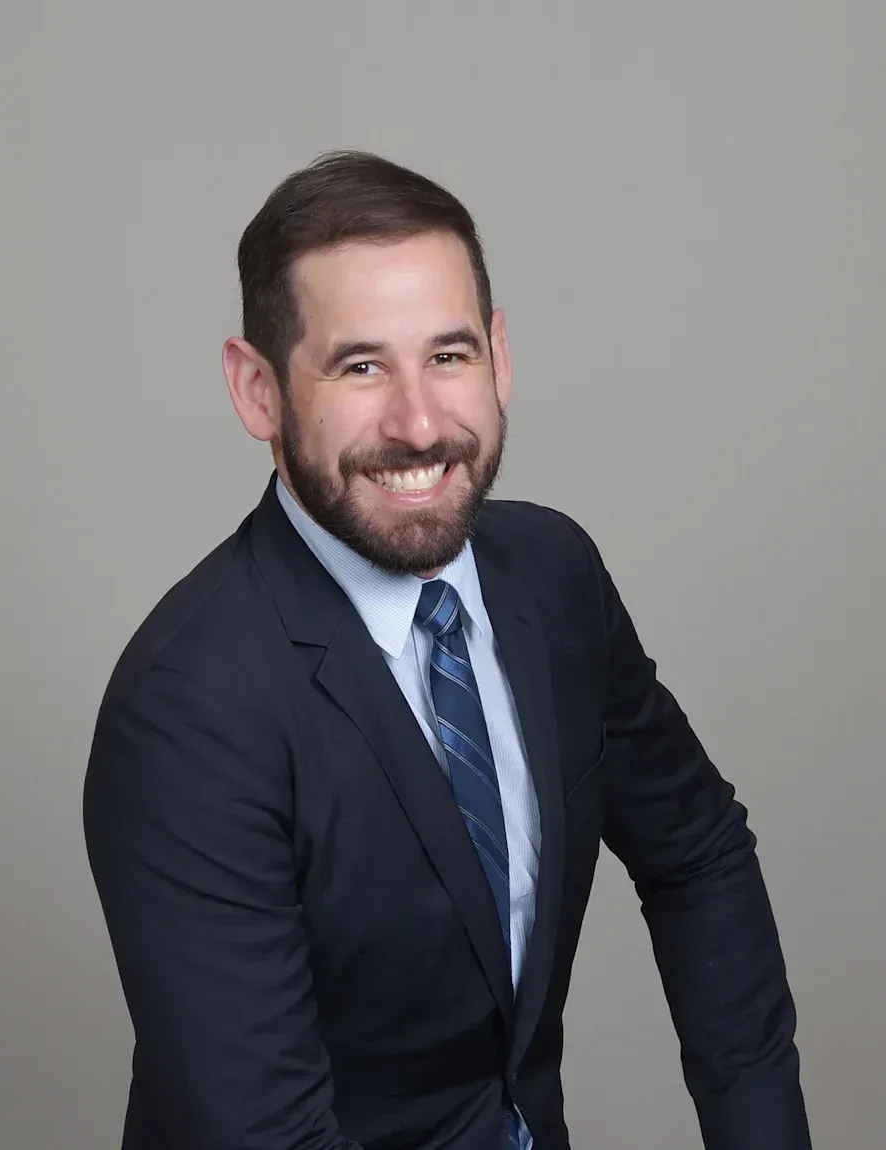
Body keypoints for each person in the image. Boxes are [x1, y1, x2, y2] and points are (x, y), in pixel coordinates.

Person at [83, 150, 811, 1150]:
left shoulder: (551, 575)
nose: (418, 422)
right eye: (360, 365)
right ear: (257, 391)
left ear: (500, 358)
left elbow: (697, 853)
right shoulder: (190, 708)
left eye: (449, 354)